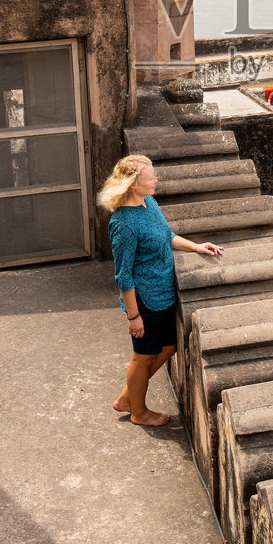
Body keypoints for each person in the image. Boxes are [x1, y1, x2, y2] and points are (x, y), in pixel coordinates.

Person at [99, 153, 222, 427]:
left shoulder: (149, 203)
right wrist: (134, 317)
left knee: (168, 348)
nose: (156, 180)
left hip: (163, 293)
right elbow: (123, 275)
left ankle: (127, 397)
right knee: (141, 358)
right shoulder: (124, 224)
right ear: (133, 184)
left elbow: (167, 236)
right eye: (150, 178)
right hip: (143, 300)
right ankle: (138, 411)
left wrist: (197, 246)